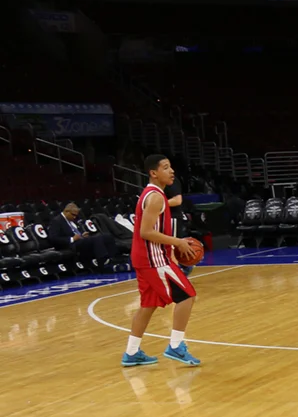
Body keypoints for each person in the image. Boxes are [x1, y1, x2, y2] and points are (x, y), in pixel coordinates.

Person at [122, 154, 200, 368]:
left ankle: (131, 352)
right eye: (165, 167)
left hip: (145, 257)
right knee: (187, 296)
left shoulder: (154, 194)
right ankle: (175, 346)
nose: (171, 171)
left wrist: (172, 249)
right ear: (153, 173)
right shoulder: (155, 197)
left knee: (148, 305)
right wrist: (178, 242)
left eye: (171, 167)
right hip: (153, 259)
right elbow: (146, 232)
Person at [47, 202, 118, 263]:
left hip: (80, 241)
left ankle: (113, 258)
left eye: (76, 215)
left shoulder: (71, 220)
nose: (75, 217)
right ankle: (103, 261)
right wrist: (72, 239)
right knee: (96, 239)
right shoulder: (56, 221)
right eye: (73, 215)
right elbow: (53, 238)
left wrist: (82, 235)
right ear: (66, 212)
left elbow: (75, 232)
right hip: (70, 245)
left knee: (107, 236)